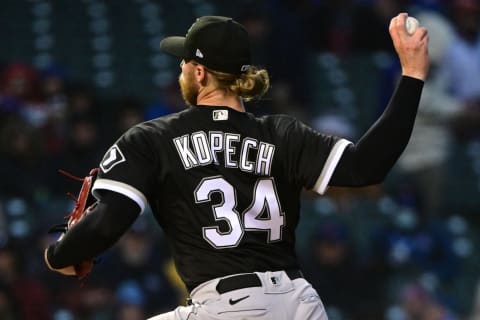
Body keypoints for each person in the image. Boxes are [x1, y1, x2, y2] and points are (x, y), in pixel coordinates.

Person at [43, 13, 429, 320]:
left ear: (199, 72)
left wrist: (58, 255)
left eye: (184, 62)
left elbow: (111, 220)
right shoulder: (283, 132)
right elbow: (367, 167)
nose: (180, 70)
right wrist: (412, 76)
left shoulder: (154, 137)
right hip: (300, 303)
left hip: (227, 305)